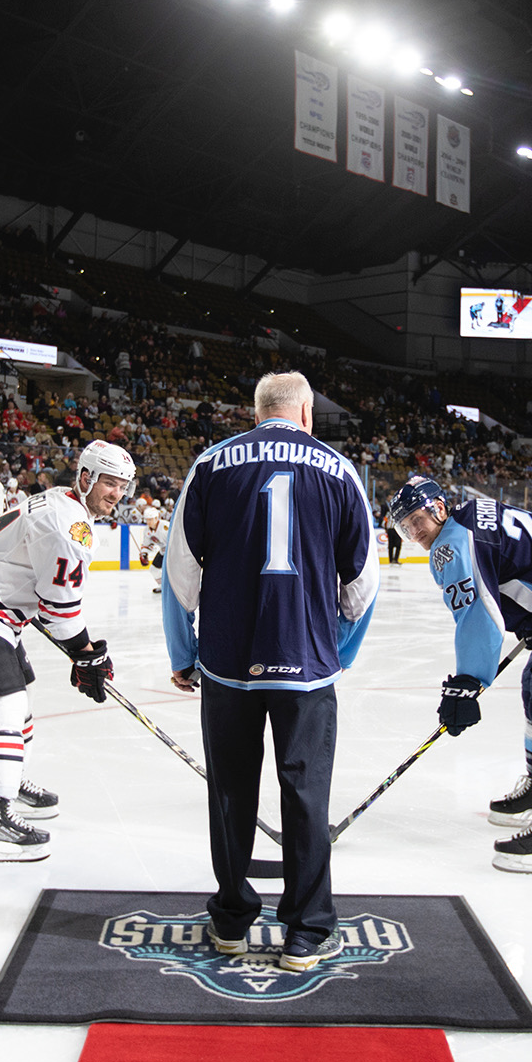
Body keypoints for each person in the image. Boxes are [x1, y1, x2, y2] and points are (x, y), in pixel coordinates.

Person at [162, 371, 379, 972]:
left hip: (228, 663)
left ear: (256, 412)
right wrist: (337, 650)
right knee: (306, 794)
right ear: (306, 413)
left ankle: (231, 919)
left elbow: (180, 569)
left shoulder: (210, 464)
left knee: (231, 793)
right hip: (307, 666)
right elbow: (363, 582)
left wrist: (185, 653)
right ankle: (306, 931)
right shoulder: (339, 469)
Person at [389, 474, 532, 877]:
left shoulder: (451, 543)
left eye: (417, 521)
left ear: (439, 508)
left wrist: (467, 683)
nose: (414, 532)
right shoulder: (466, 518)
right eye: (405, 527)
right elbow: (515, 560)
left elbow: (478, 613)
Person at [0, 440, 137, 863]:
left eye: (123, 486)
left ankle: (9, 777)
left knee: (25, 692)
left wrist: (86, 653)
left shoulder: (62, 502)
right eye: (110, 483)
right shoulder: (69, 525)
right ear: (86, 477)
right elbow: (58, 606)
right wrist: (87, 653)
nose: (117, 494)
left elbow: (45, 597)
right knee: (5, 700)